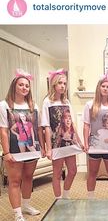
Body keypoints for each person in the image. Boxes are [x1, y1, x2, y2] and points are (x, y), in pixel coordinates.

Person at [0, 70, 41, 221]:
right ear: (14, 86)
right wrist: (7, 152)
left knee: (28, 177)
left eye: (27, 86)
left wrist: (41, 147)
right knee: (15, 181)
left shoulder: (33, 105)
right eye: (21, 85)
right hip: (15, 150)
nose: (24, 88)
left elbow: (37, 128)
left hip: (32, 148)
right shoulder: (4, 105)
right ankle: (18, 214)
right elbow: (3, 130)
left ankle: (26, 205)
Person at [40, 69, 84, 199]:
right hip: (56, 144)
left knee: (73, 171)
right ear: (54, 84)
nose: (63, 86)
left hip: (70, 141)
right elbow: (47, 126)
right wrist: (49, 149)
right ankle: (58, 200)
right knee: (57, 173)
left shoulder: (67, 102)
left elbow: (73, 124)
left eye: (65, 83)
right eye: (60, 83)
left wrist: (80, 142)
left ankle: (66, 194)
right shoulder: (47, 102)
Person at [83, 73, 108, 199]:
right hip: (94, 146)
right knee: (92, 172)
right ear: (99, 87)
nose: (105, 88)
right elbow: (86, 125)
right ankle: (91, 198)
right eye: (103, 86)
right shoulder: (89, 105)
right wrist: (85, 143)